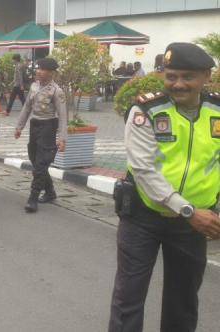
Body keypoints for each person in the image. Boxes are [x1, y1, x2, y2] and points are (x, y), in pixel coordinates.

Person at [108, 42, 220, 332]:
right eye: (171, 76)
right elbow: (144, 169)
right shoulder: (146, 109)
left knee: (183, 301)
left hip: (194, 224)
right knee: (128, 298)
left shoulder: (217, 110)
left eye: (187, 77)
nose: (178, 84)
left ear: (206, 76)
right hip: (143, 218)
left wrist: (202, 213)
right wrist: (187, 210)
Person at [14, 58, 67, 213]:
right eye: (38, 68)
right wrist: (19, 126)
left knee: (41, 165)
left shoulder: (57, 91)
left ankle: (33, 197)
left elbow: (63, 116)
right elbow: (26, 108)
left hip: (48, 128)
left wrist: (62, 138)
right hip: (35, 127)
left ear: (51, 72)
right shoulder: (34, 86)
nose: (38, 71)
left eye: (42, 69)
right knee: (36, 161)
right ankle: (50, 192)